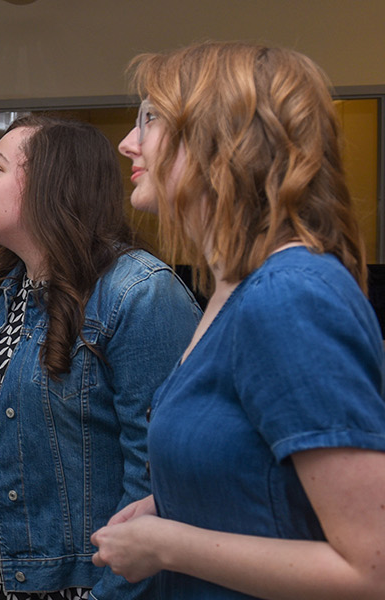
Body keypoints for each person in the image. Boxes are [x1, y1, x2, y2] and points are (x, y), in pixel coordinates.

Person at [91, 41, 385, 599]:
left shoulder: (289, 296)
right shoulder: (236, 287)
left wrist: (167, 545)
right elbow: (266, 475)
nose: (128, 144)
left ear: (222, 142)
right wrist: (178, 500)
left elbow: (371, 569)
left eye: (149, 121)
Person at [0, 115, 200, 599]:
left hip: (77, 581)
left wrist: (108, 593)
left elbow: (158, 478)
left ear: (48, 187)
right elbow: (31, 428)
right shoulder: (10, 289)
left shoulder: (138, 294)